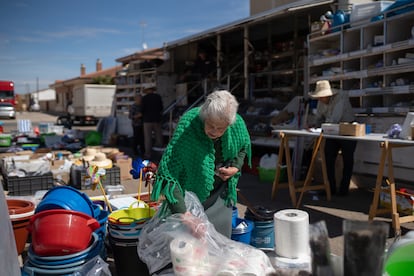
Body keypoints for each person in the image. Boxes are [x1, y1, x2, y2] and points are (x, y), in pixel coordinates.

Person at [151, 90, 251, 238]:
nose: (215, 132)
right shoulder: (189, 125)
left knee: (218, 241)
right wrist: (184, 214)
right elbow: (169, 174)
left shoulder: (236, 124)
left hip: (220, 195)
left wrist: (235, 167)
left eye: (221, 128)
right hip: (189, 195)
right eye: (211, 125)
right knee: (189, 244)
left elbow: (243, 146)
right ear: (204, 116)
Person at [308, 80, 356, 196]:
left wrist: (322, 126)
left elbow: (334, 118)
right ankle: (330, 188)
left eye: (321, 97)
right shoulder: (321, 101)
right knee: (328, 158)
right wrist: (313, 125)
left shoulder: (340, 98)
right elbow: (319, 117)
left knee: (347, 160)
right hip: (332, 131)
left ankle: (344, 189)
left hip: (347, 129)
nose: (320, 99)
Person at [141, 85, 164, 160]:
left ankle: (148, 154)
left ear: (147, 90)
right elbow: (161, 108)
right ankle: (160, 153)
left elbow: (142, 109)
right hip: (157, 119)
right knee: (158, 137)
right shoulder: (158, 97)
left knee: (148, 138)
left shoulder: (144, 98)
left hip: (147, 120)